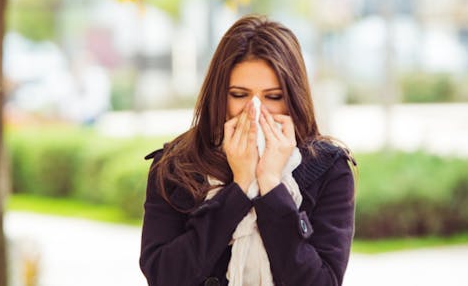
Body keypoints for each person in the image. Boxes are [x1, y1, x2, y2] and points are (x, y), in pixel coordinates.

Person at [140, 15, 356, 286]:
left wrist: (271, 185)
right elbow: (164, 277)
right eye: (239, 95)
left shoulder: (328, 169)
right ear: (219, 95)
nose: (255, 110)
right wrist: (239, 189)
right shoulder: (175, 167)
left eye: (273, 97)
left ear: (293, 98)